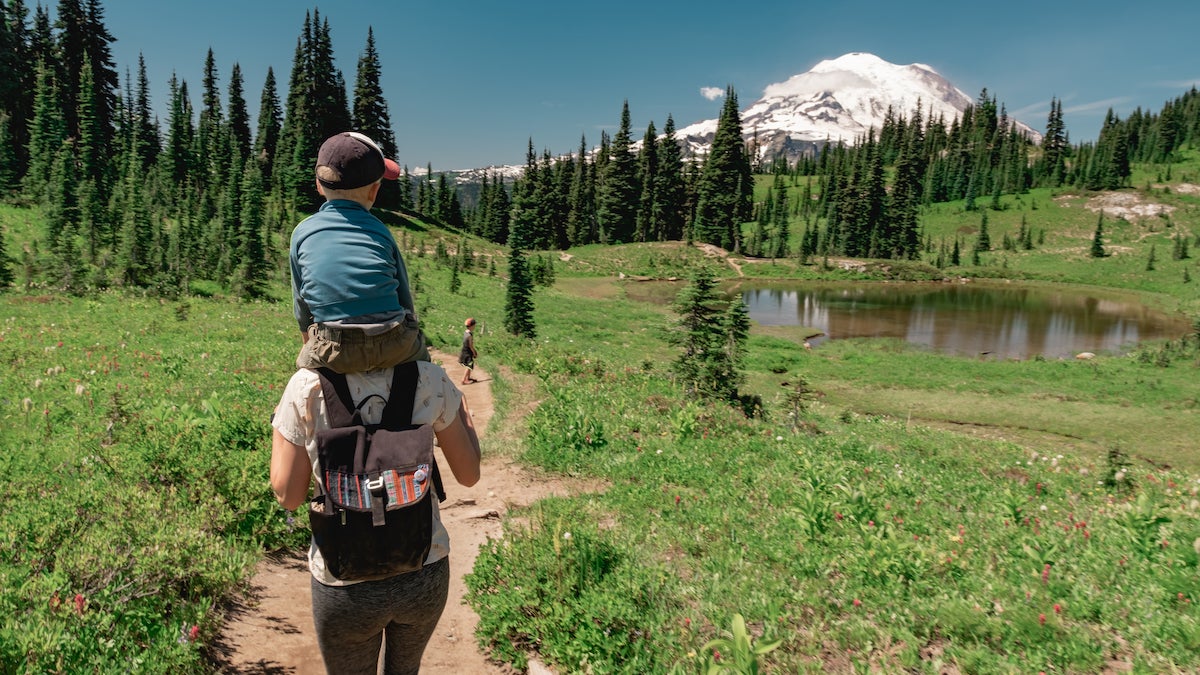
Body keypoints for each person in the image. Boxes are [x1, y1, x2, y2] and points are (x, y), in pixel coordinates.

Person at [269, 360, 481, 674]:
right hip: (423, 568)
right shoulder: (429, 377)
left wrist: (280, 423)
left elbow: (289, 497)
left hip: (344, 583)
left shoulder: (305, 386)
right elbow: (469, 474)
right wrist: (462, 409)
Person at [290, 131, 429, 374]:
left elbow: (301, 304)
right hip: (393, 342)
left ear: (318, 186)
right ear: (373, 192)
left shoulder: (302, 233)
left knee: (297, 389)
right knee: (427, 372)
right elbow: (404, 297)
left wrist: (308, 344)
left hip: (332, 347)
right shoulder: (380, 230)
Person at [457, 318, 478, 385]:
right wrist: (474, 352)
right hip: (467, 352)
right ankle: (463, 380)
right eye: (474, 325)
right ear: (471, 326)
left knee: (470, 365)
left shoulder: (466, 332)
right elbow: (471, 346)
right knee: (469, 366)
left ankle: (468, 378)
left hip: (464, 351)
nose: (475, 326)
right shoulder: (469, 336)